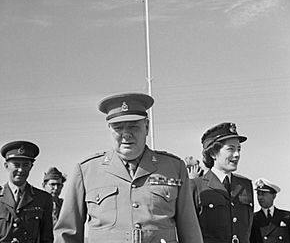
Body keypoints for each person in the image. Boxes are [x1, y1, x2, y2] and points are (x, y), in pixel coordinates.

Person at [54, 92, 203, 243]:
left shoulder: (173, 167)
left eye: (133, 126)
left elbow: (190, 231)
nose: (126, 135)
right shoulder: (86, 171)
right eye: (118, 127)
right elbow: (67, 234)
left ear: (147, 127)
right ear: (110, 129)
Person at [190, 122, 254, 243]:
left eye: (239, 149)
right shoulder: (195, 186)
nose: (237, 155)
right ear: (213, 153)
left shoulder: (246, 185)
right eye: (231, 149)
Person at [0, 140, 53, 243]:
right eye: (16, 165)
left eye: (25, 165)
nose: (21, 170)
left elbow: (46, 238)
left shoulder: (43, 199)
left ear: (31, 167)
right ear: (6, 166)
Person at [250, 178, 290, 243]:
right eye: (258, 194)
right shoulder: (253, 218)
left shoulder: (286, 216)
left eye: (263, 194)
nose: (260, 197)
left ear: (273, 196)